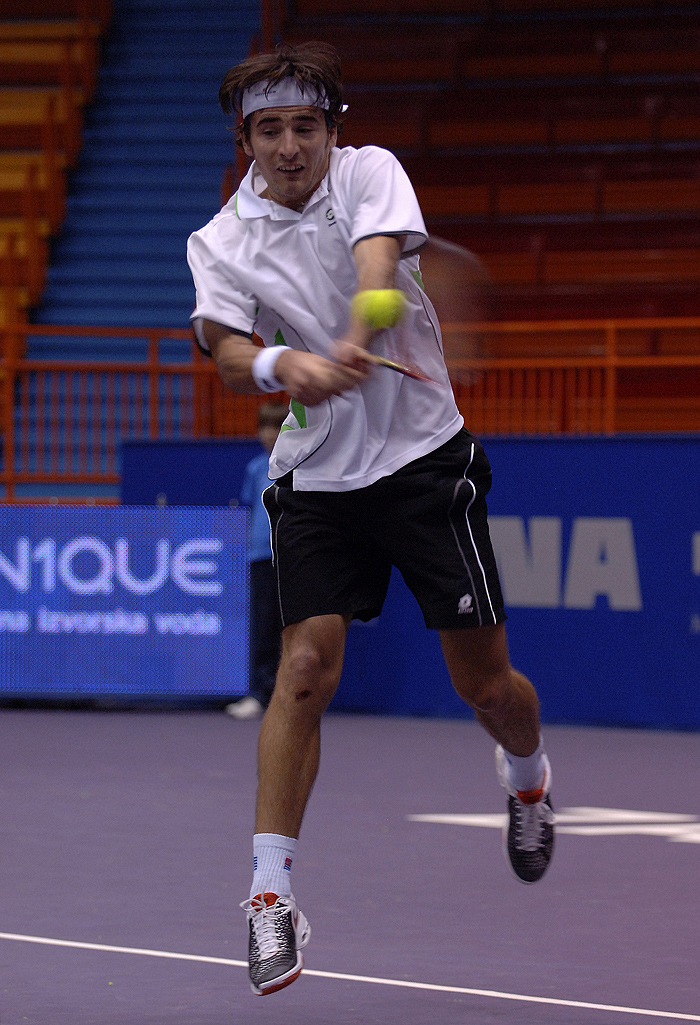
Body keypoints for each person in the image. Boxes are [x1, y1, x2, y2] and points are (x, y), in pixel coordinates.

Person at [187, 41, 555, 998]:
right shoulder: (220, 240)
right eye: (270, 130)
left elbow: (379, 267)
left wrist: (351, 338)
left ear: (332, 130)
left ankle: (527, 775)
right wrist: (285, 366)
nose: (290, 146)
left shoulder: (369, 173)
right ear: (245, 141)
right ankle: (270, 895)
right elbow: (225, 347)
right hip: (317, 476)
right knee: (304, 669)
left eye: (306, 127)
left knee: (486, 685)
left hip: (426, 461)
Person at [226, 401, 288, 720]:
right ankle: (260, 694)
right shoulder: (254, 469)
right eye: (264, 427)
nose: (269, 434)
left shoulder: (300, 466)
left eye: (276, 427)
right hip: (261, 559)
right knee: (263, 629)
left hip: (292, 559)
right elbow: (249, 511)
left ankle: (291, 695)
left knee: (295, 630)